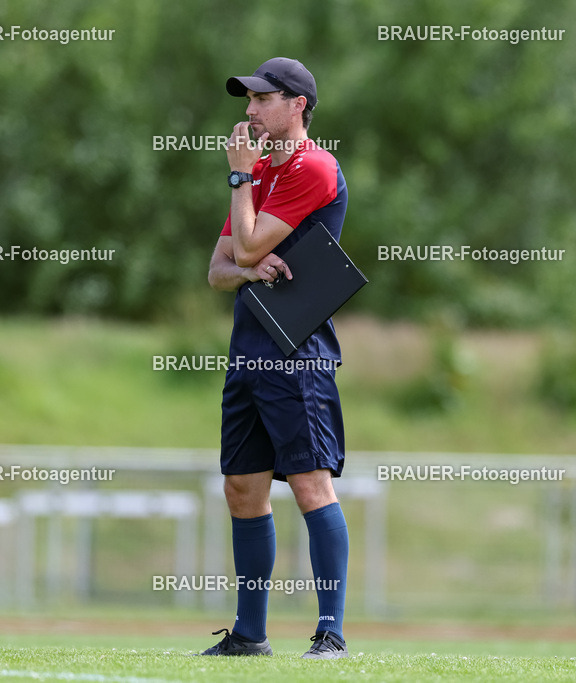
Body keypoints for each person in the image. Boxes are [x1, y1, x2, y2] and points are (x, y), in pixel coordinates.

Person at [200, 57, 350, 660]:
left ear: (298, 105)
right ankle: (249, 635)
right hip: (250, 348)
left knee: (311, 483)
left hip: (297, 348)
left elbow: (246, 242)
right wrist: (248, 267)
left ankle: (331, 630)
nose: (249, 111)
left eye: (262, 99)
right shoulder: (258, 169)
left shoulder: (314, 166)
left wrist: (240, 188)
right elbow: (218, 272)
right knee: (242, 486)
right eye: (248, 100)